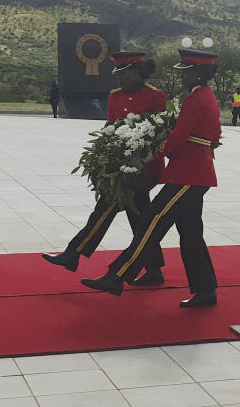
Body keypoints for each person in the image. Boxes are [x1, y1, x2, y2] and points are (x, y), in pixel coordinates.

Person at [81, 46, 222, 308]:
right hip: (192, 172)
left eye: (187, 72)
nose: (183, 77)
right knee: (190, 234)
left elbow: (181, 135)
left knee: (152, 221)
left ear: (199, 74)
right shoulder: (204, 95)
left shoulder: (195, 98)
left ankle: (117, 275)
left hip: (188, 175)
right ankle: (206, 290)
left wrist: (153, 150)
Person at [43, 51, 168, 285]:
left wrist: (143, 154)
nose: (119, 79)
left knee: (105, 208)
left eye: (123, 74)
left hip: (145, 169)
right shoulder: (115, 96)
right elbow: (110, 126)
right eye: (118, 75)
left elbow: (161, 131)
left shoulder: (156, 96)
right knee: (139, 218)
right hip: (120, 167)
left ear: (136, 73)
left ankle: (74, 252)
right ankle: (153, 270)